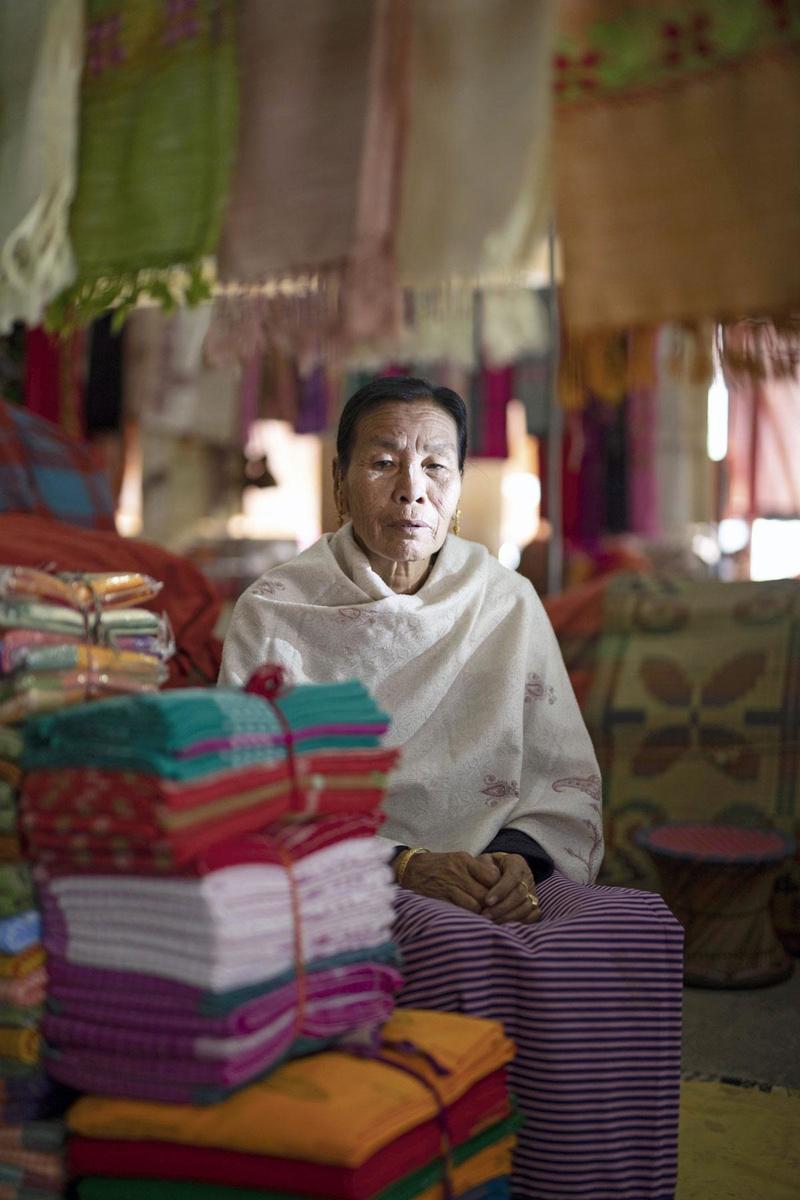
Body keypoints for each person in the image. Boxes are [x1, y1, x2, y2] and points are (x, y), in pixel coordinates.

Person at [220, 377, 683, 1200]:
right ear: (338, 482)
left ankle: (587, 1183)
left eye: (437, 465)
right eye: (384, 462)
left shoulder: (506, 601)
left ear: (461, 488)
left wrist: (518, 861)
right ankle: (462, 1176)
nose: (412, 488)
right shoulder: (276, 612)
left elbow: (560, 773)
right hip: (353, 874)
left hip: (499, 867)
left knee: (636, 930)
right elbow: (255, 793)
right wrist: (404, 865)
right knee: (458, 945)